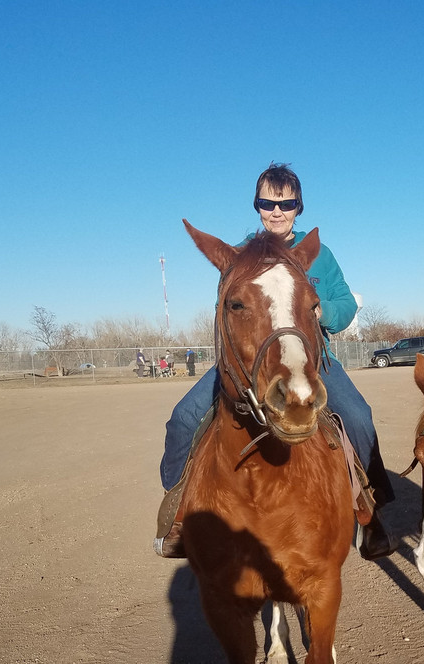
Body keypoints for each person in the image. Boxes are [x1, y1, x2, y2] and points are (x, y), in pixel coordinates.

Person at [155, 163, 397, 559]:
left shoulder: (320, 255)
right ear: (257, 206)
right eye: (268, 202)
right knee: (183, 417)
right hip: (249, 364)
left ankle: (370, 511)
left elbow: (347, 302)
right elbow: (226, 312)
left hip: (312, 361)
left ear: (299, 207)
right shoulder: (241, 256)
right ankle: (180, 512)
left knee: (358, 415)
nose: (277, 211)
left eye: (287, 203)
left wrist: (322, 313)